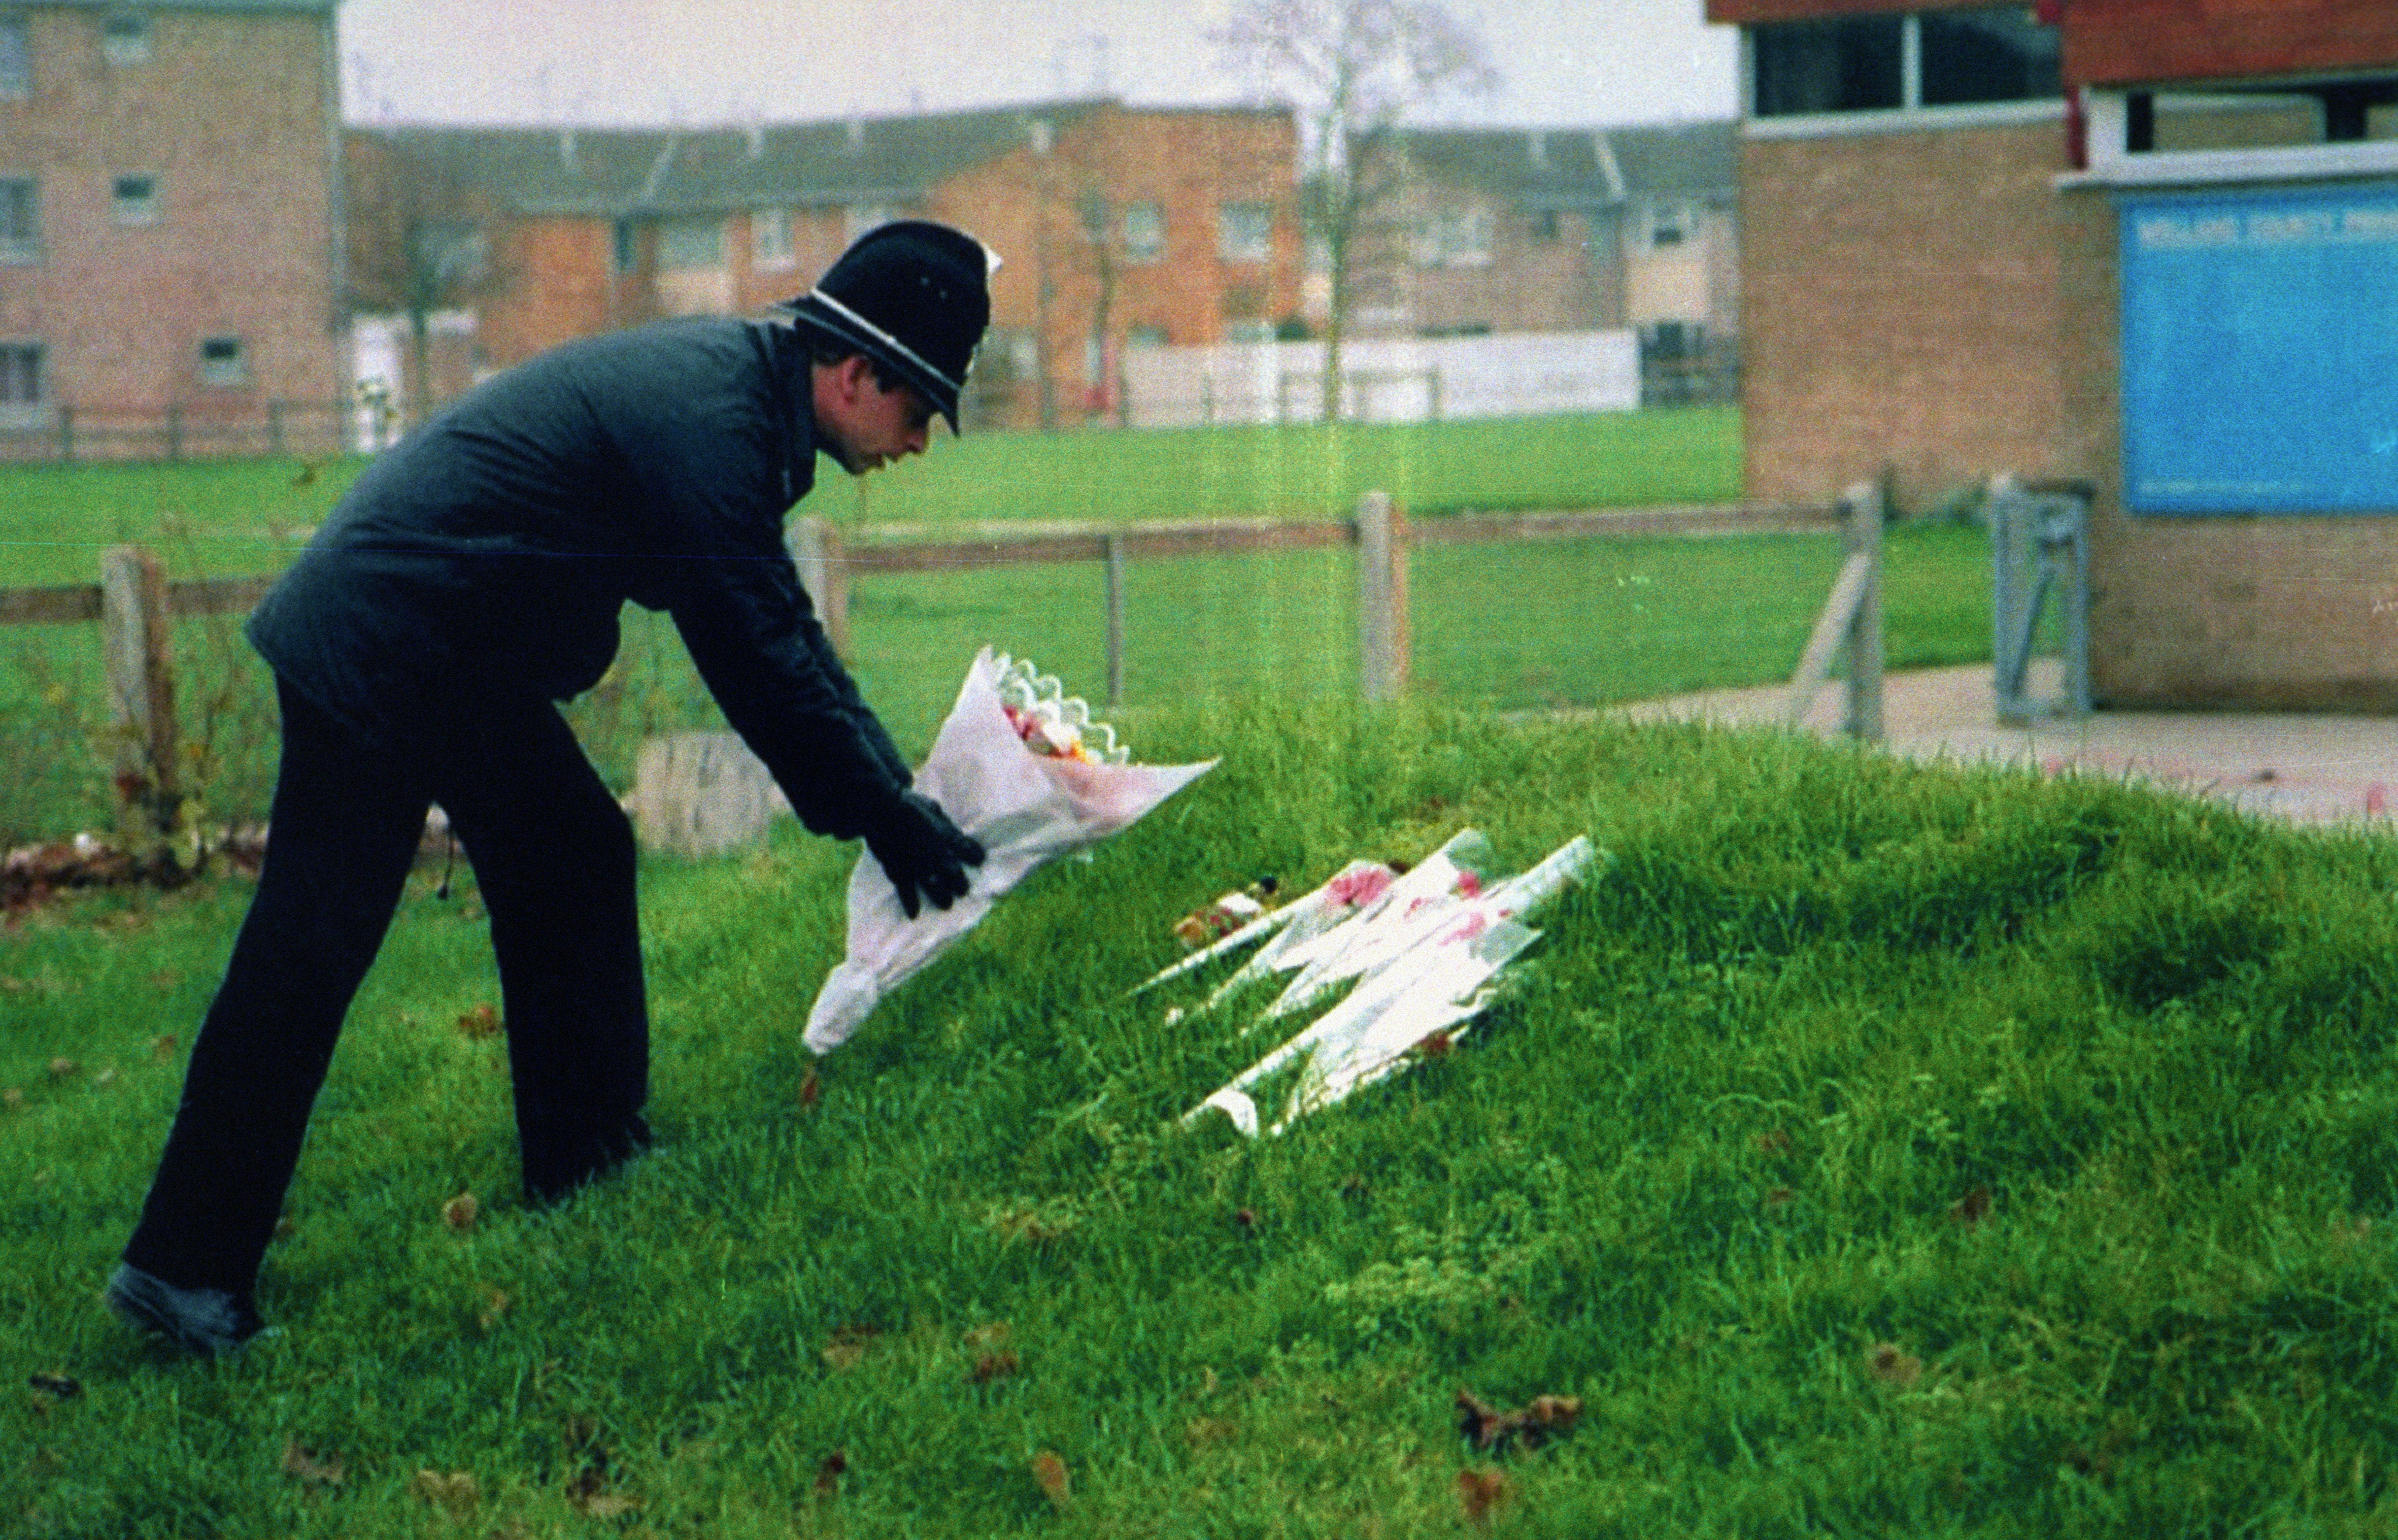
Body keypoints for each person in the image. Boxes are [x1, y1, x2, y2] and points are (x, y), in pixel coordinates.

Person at [105, 220, 995, 1356]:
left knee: (574, 850)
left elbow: (782, 638)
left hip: (445, 649)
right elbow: (761, 654)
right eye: (918, 411)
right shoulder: (717, 422)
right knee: (309, 947)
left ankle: (586, 1156)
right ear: (856, 371)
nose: (917, 443)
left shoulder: (739, 400)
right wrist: (882, 810)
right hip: (385, 637)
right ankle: (179, 1270)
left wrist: (887, 795)